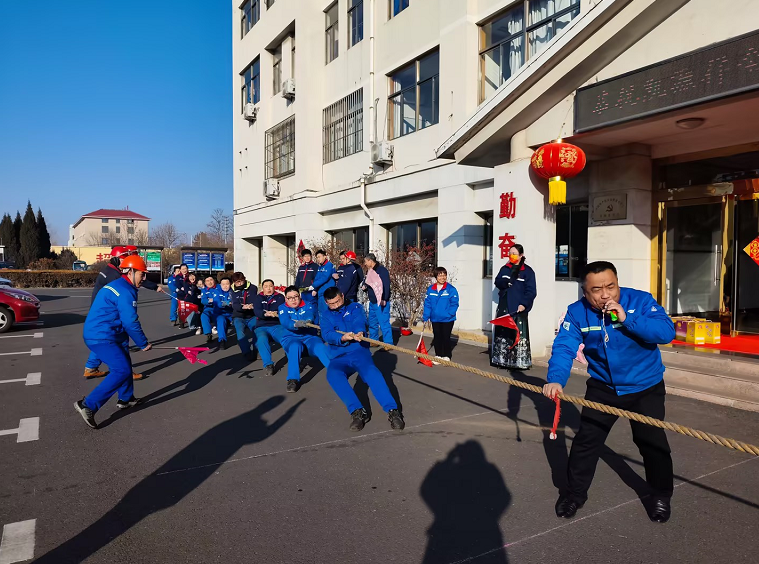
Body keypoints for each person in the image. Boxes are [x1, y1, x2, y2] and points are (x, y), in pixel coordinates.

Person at [543, 261, 675, 523]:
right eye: (597, 289)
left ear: (617, 282)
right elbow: (564, 346)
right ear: (584, 292)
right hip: (604, 387)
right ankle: (574, 494)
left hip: (645, 386)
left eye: (610, 286)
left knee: (652, 443)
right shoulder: (576, 313)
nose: (605, 294)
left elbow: (665, 332)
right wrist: (556, 379)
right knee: (586, 443)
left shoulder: (640, 300)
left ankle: (661, 495)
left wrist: (626, 317)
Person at [74, 255, 153, 429]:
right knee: (122, 370)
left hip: (112, 332)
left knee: (124, 359)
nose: (144, 278)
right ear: (130, 272)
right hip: (102, 335)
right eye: (142, 274)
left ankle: (125, 398)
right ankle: (88, 405)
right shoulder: (125, 291)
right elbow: (130, 321)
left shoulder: (120, 285)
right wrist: (143, 343)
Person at [321, 287, 405, 432]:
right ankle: (358, 412)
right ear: (326, 303)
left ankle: (393, 411)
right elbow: (326, 334)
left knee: (373, 373)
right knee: (332, 375)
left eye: (337, 301)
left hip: (358, 351)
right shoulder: (325, 315)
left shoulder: (355, 307)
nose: (335, 306)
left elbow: (359, 321)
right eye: (331, 304)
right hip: (338, 355)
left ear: (342, 296)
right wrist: (341, 337)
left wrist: (359, 331)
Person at [83, 246, 163, 381]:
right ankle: (125, 372)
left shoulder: (110, 270)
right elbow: (129, 317)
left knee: (105, 340)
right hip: (107, 310)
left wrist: (154, 286)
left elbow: (138, 277)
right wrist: (142, 343)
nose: (125, 263)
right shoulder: (114, 276)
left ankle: (91, 367)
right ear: (116, 259)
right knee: (119, 339)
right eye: (123, 260)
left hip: (101, 308)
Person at [276, 286, 331, 393]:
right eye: (290, 298)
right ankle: (293, 379)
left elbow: (309, 314)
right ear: (286, 298)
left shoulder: (308, 304)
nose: (293, 300)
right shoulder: (282, 308)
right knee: (294, 346)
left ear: (299, 296)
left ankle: (334, 371)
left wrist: (307, 321)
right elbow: (285, 321)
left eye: (295, 297)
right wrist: (295, 324)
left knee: (320, 346)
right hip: (290, 338)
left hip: (309, 336)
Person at [492, 244, 536, 370]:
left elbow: (531, 291)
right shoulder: (505, 268)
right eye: (510, 253)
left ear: (521, 255)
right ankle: (501, 360)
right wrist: (505, 282)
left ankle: (518, 362)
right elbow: (497, 281)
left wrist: (524, 304)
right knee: (503, 331)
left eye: (514, 253)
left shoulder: (527, 271)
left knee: (516, 333)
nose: (512, 255)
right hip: (504, 305)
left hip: (518, 307)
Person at [423, 267, 460, 361]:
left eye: (444, 275)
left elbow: (454, 303)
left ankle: (447, 356)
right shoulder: (431, 289)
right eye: (440, 275)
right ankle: (438, 355)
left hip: (447, 319)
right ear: (436, 276)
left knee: (445, 337)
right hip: (435, 318)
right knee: (437, 336)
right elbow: (427, 303)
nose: (442, 277)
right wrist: (426, 316)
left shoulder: (451, 289)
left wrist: (449, 313)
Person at [253, 279, 285, 377]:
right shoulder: (258, 298)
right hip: (262, 325)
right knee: (261, 340)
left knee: (285, 338)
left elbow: (282, 309)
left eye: (270, 286)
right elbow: (257, 311)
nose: (268, 288)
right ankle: (268, 364)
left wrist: (276, 313)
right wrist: (265, 313)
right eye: (266, 286)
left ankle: (293, 358)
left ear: (274, 287)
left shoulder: (280, 297)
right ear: (262, 288)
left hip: (276, 324)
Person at [362, 253, 393, 345]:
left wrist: (384, 298)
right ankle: (374, 340)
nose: (365, 264)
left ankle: (388, 343)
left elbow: (386, 285)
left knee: (384, 323)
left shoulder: (382, 271)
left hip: (381, 301)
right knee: (372, 323)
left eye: (366, 262)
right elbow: (367, 282)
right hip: (372, 301)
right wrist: (364, 286)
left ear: (370, 261)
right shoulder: (369, 271)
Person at [230, 272, 259, 360]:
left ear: (244, 279)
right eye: (237, 282)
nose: (239, 284)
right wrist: (242, 307)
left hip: (251, 315)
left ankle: (255, 349)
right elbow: (234, 304)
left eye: (241, 281)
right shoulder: (232, 290)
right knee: (240, 332)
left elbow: (254, 299)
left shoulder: (253, 288)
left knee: (256, 330)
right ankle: (246, 352)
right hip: (239, 315)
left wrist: (251, 305)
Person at [202, 277, 233, 349]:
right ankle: (217, 338)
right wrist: (227, 303)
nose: (225, 286)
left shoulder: (232, 292)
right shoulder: (216, 291)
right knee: (219, 319)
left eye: (227, 284)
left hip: (231, 313)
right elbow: (217, 303)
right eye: (223, 284)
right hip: (218, 312)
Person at [308, 249, 335, 324]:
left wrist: (314, 286)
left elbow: (325, 278)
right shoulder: (320, 267)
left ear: (325, 256)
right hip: (320, 292)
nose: (318, 259)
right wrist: (315, 289)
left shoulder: (329, 265)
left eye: (319, 257)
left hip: (326, 293)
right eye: (317, 257)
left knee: (326, 312)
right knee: (320, 312)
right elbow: (317, 278)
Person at [296, 248, 319, 313]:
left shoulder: (315, 266)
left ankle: (315, 322)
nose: (307, 258)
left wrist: (315, 289)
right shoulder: (301, 267)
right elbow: (298, 279)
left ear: (311, 256)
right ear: (303, 258)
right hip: (303, 291)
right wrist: (296, 289)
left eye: (308, 256)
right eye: (305, 256)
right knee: (304, 307)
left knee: (313, 307)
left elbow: (317, 279)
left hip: (311, 291)